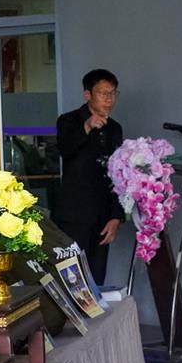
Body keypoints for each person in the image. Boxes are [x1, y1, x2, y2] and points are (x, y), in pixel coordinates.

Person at [54, 69, 126, 282]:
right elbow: (65, 149)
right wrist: (86, 127)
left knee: (97, 278)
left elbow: (118, 174)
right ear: (88, 94)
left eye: (113, 93)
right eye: (103, 93)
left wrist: (116, 216)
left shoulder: (115, 128)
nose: (109, 99)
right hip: (73, 216)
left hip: (103, 217)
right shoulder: (69, 120)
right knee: (72, 278)